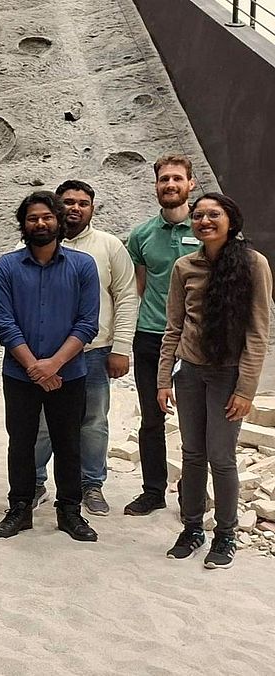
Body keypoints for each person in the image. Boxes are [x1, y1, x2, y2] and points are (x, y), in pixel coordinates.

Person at [158, 193, 271, 569]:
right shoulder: (184, 267)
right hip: (189, 374)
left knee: (221, 458)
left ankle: (225, 534)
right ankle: (191, 527)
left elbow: (258, 333)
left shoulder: (253, 265)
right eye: (198, 215)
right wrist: (163, 380)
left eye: (213, 214)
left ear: (231, 219)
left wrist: (246, 389)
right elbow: (173, 328)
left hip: (228, 376)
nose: (204, 220)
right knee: (192, 455)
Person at [0, 191, 99, 542]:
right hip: (19, 374)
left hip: (69, 373)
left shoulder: (83, 265)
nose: (40, 223)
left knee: (69, 442)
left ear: (59, 221)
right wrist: (34, 367)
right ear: (23, 224)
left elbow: (87, 323)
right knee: (20, 442)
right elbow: (4, 322)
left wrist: (53, 365)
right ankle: (20, 508)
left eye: (47, 217)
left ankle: (70, 511)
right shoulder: (7, 266)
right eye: (33, 218)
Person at [33, 180, 138, 515]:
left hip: (94, 353)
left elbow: (126, 295)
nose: (75, 208)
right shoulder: (42, 244)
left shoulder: (108, 246)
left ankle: (91, 484)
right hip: (48, 356)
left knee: (93, 421)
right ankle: (34, 483)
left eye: (83, 203)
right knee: (43, 423)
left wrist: (121, 346)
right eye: (68, 202)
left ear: (92, 208)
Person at [124, 154, 201, 517]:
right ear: (156, 186)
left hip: (198, 342)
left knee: (195, 419)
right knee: (152, 418)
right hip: (152, 337)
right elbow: (137, 287)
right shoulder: (141, 235)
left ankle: (192, 491)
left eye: (176, 179)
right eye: (163, 179)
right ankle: (153, 490)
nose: (170, 185)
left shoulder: (206, 228)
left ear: (191, 184)